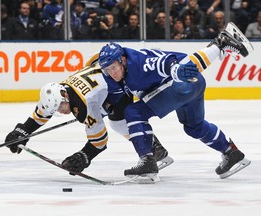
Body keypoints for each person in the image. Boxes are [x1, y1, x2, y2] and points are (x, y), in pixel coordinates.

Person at [98, 22, 253, 179]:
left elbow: (163, 63)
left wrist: (174, 69)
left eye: (114, 67)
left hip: (181, 85)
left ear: (122, 60)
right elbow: (116, 97)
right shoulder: (120, 73)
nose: (112, 73)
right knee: (194, 127)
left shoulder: (137, 64)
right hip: (195, 84)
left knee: (134, 112)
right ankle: (231, 152)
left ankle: (147, 161)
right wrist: (99, 112)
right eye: (107, 69)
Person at [4, 57, 173, 176]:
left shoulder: (84, 104)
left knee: (119, 124)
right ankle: (154, 147)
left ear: (66, 97)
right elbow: (42, 112)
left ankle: (154, 149)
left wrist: (84, 156)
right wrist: (22, 131)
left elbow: (100, 141)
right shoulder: (59, 91)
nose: (60, 112)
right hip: (104, 80)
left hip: (119, 88)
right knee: (114, 119)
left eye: (60, 107)